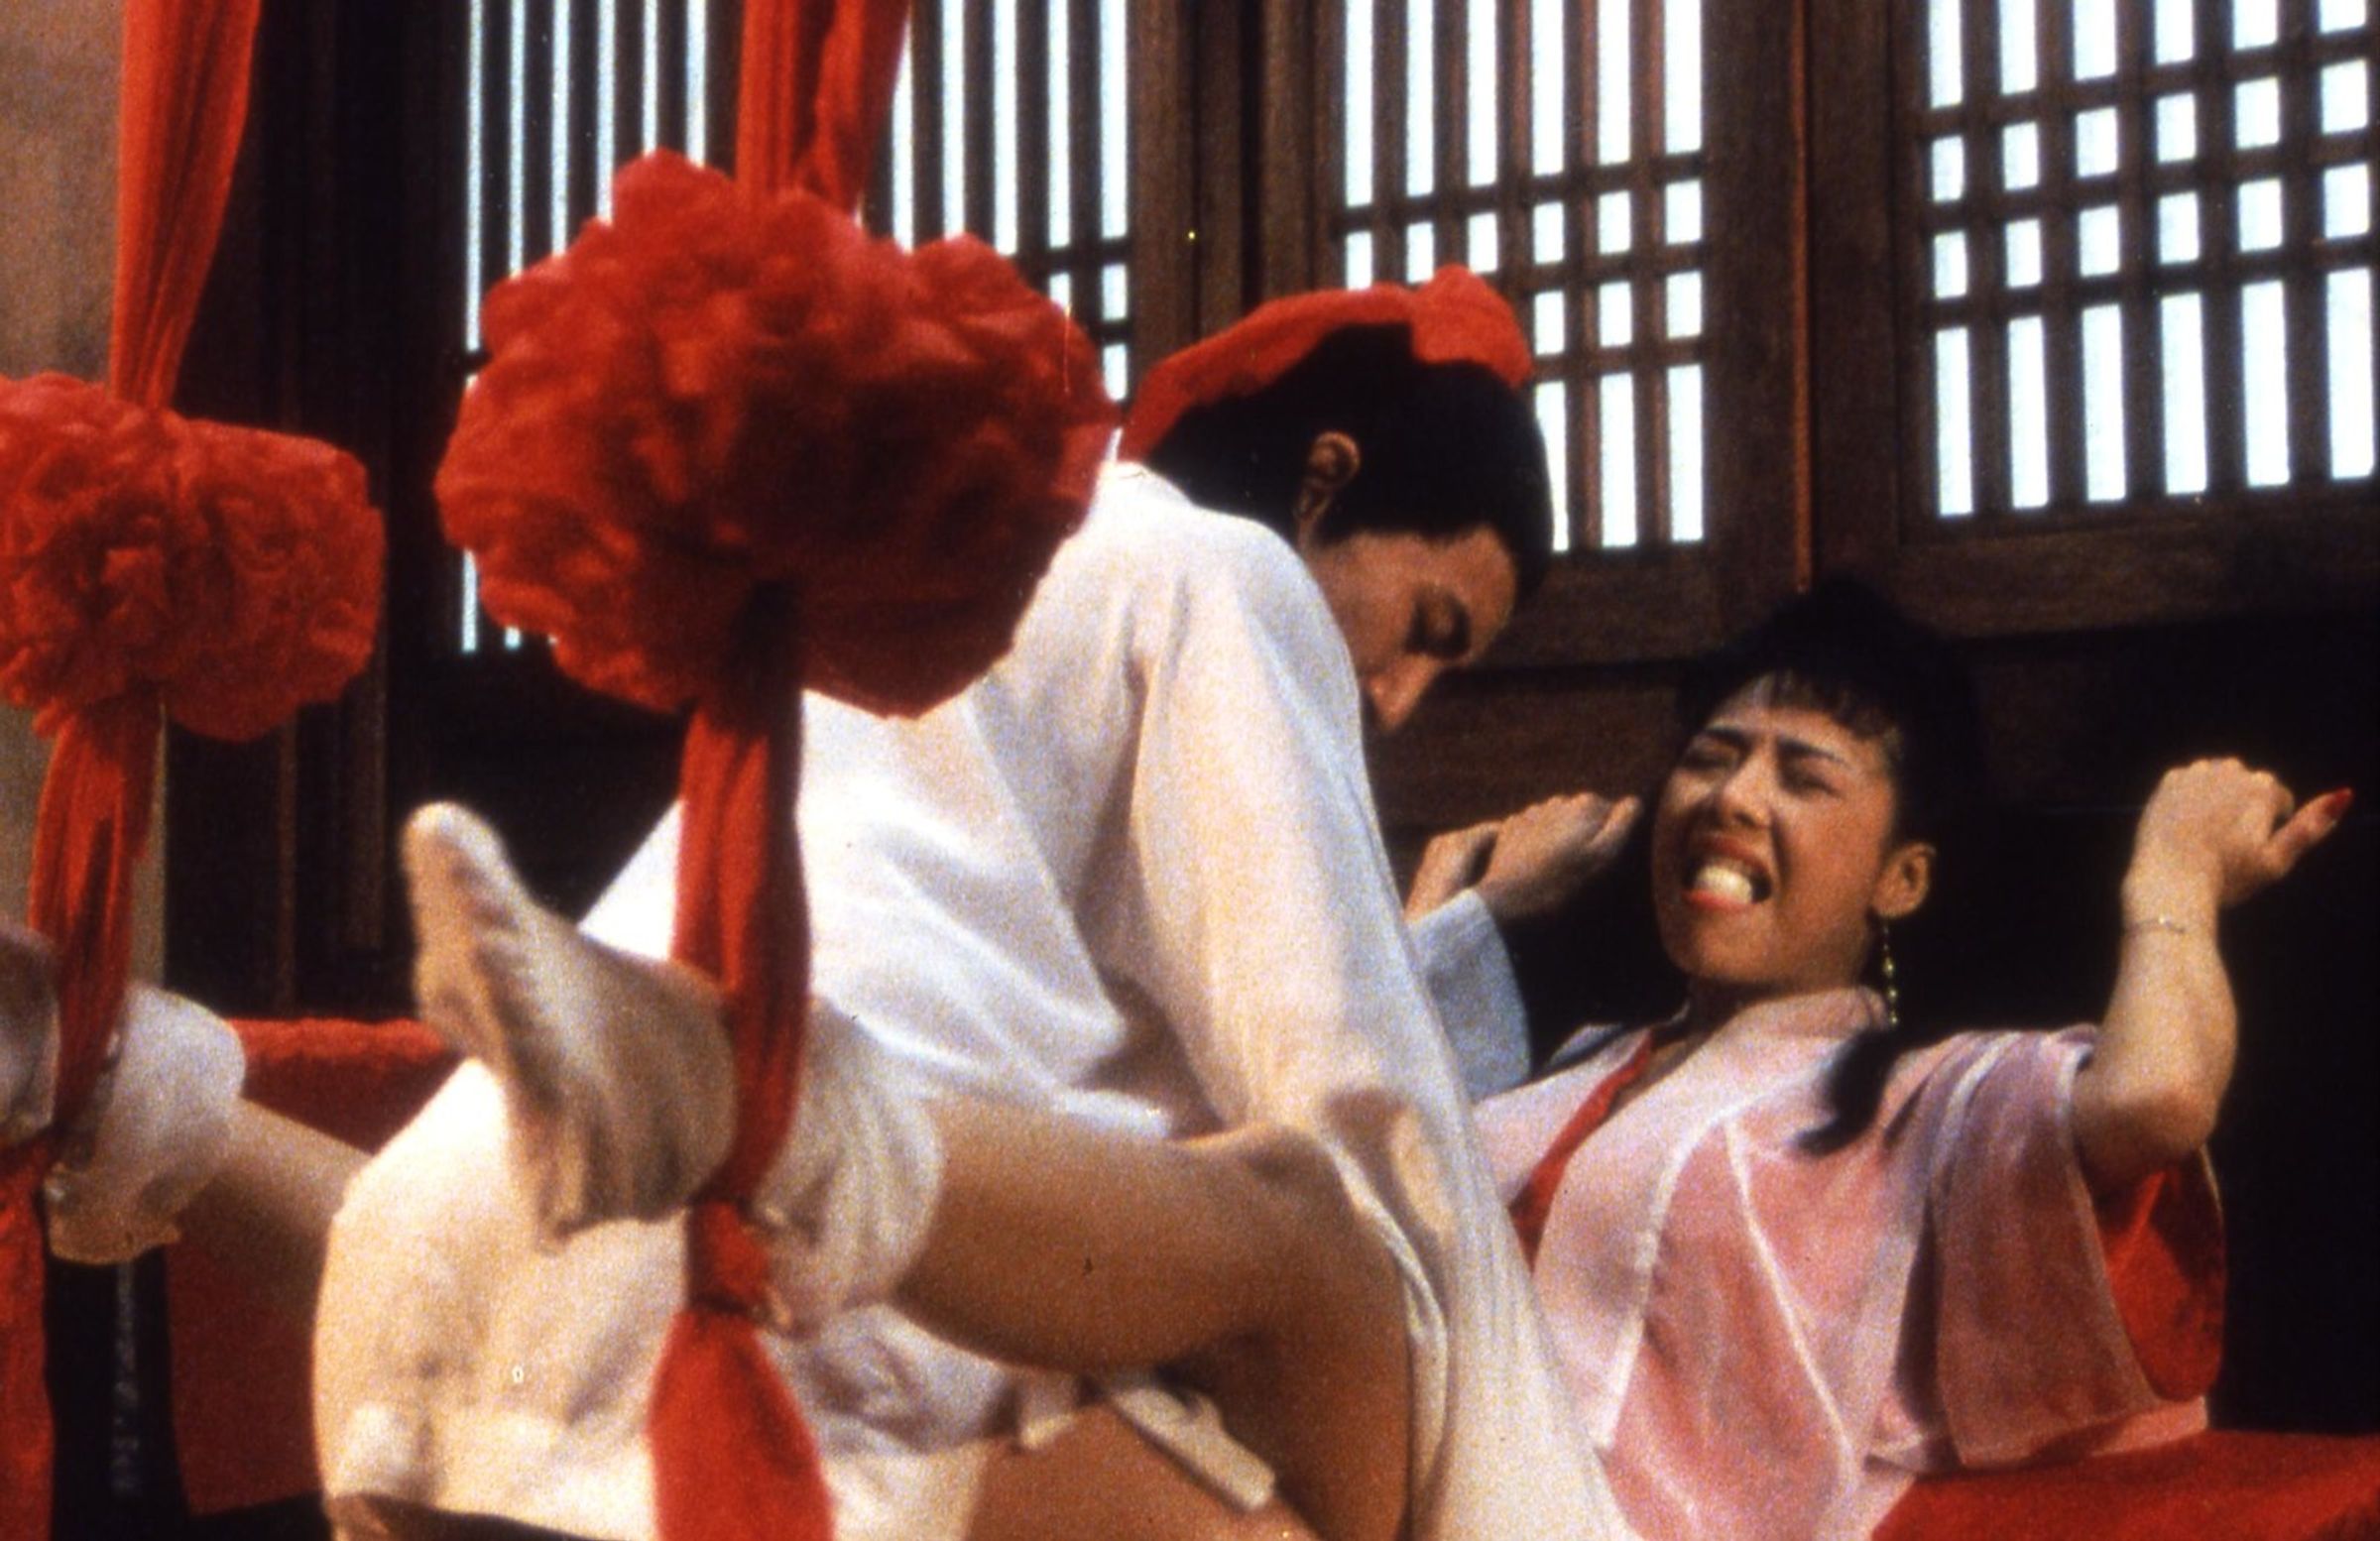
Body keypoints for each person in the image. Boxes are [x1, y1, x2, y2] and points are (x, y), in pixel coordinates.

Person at [0, 272, 1631, 1541]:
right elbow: (1366, 1107)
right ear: (1327, 483)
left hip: (413, 1304)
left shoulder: (959, 570)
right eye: (1428, 624)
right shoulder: (1223, 571)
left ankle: (127, 1075)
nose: (1403, 697)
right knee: (1321, 1241)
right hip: (746, 1321)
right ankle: (763, 1100)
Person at [1425, 580, 2348, 1539]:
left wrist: (2176, 869)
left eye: (1805, 777)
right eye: (1710, 758)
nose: (1732, 797)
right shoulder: (1578, 1064)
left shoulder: (1923, 1104)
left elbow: (2158, 1098)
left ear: (1902, 878)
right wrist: (1470, 912)